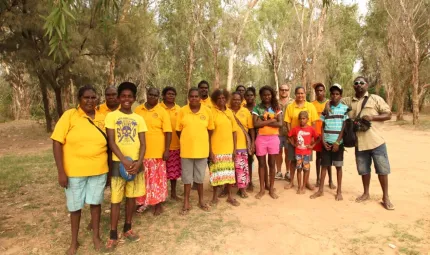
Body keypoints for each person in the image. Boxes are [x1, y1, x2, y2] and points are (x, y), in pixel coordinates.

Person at [51, 85, 108, 254]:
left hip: (99, 169)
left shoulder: (103, 117)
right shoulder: (70, 116)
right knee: (75, 207)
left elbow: (111, 143)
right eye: (86, 98)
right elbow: (56, 142)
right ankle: (74, 242)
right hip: (74, 171)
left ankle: (96, 237)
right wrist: (61, 171)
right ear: (79, 99)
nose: (90, 101)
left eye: (93, 97)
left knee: (95, 203)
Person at [104, 82, 147, 251]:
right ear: (119, 98)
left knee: (131, 197)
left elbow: (143, 143)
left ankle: (127, 227)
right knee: (116, 199)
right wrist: (123, 160)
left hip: (136, 164)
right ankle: (113, 234)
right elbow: (111, 141)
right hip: (118, 164)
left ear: (134, 98)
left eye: (130, 96)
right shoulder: (112, 116)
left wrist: (138, 162)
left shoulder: (139, 119)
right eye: (123, 96)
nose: (127, 99)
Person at [342, 76, 394, 210]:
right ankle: (366, 193)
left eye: (362, 83)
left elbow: (388, 114)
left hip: (377, 142)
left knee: (382, 170)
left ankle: (385, 197)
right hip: (360, 143)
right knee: (364, 170)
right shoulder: (349, 101)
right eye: (356, 83)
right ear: (353, 86)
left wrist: (372, 117)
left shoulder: (375, 99)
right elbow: (334, 100)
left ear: (367, 85)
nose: (359, 85)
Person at [176, 88, 214, 215]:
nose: (193, 98)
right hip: (186, 151)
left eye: (196, 96)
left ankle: (201, 201)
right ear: (188, 97)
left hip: (202, 151)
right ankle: (186, 202)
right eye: (191, 96)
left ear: (200, 98)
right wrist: (187, 139)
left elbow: (210, 130)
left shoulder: (207, 111)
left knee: (199, 178)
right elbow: (178, 130)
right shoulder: (182, 111)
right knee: (187, 179)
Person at [135, 88, 172, 216]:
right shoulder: (138, 110)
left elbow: (168, 132)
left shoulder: (162, 112)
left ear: (158, 97)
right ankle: (142, 202)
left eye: (155, 95)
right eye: (150, 94)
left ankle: (158, 204)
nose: (152, 97)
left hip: (157, 152)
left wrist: (166, 150)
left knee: (157, 180)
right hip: (141, 153)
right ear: (147, 95)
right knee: (142, 179)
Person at [310, 84, 348, 201]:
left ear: (340, 96)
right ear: (330, 95)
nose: (334, 96)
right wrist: (323, 140)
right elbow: (322, 125)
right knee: (324, 165)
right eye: (332, 94)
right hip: (326, 142)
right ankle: (320, 190)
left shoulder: (344, 108)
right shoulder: (326, 108)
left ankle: (339, 191)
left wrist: (337, 142)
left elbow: (344, 126)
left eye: (337, 94)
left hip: (338, 143)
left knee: (338, 167)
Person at [208, 89, 240, 206]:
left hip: (228, 148)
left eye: (223, 98)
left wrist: (234, 149)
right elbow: (209, 132)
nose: (221, 100)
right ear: (215, 100)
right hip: (216, 149)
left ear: (226, 99)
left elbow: (234, 132)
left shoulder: (230, 113)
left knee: (229, 174)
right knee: (215, 173)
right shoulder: (211, 112)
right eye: (219, 98)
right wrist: (210, 150)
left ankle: (230, 197)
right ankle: (214, 197)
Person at [284, 86, 319, 190]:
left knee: (306, 162)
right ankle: (291, 182)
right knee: (293, 160)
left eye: (302, 93)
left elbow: (313, 122)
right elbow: (287, 122)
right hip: (294, 140)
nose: (300, 95)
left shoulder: (310, 106)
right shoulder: (290, 106)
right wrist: (292, 138)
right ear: (295, 94)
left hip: (307, 141)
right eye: (298, 93)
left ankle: (306, 182)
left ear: (305, 94)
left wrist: (311, 138)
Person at [252, 85, 283, 199]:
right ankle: (261, 190)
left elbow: (280, 124)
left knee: (271, 164)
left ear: (272, 95)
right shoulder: (257, 108)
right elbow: (255, 124)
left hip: (274, 138)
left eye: (269, 95)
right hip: (261, 138)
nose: (267, 97)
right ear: (261, 96)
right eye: (264, 95)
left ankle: (271, 189)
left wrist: (263, 121)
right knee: (261, 164)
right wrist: (272, 120)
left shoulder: (276, 107)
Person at [230, 92, 255, 198]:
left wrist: (252, 142)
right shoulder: (227, 111)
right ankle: (228, 190)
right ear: (231, 100)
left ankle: (242, 189)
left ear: (241, 100)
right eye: (234, 99)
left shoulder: (246, 112)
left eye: (238, 99)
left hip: (242, 145)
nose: (236, 101)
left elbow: (251, 128)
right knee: (229, 168)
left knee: (242, 168)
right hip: (228, 144)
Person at [288, 111, 319, 194]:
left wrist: (312, 146)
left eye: (304, 118)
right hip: (298, 153)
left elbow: (318, 138)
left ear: (307, 119)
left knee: (306, 169)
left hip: (307, 154)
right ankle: (299, 187)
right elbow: (289, 136)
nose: (302, 120)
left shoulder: (311, 129)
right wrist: (293, 143)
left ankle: (303, 186)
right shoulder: (295, 129)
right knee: (299, 170)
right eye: (300, 119)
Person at [311, 83, 336, 189]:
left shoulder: (329, 103)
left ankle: (330, 181)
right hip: (317, 134)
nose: (319, 92)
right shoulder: (312, 104)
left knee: (328, 158)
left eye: (321, 90)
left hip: (327, 134)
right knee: (318, 158)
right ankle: (318, 179)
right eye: (317, 90)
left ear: (324, 92)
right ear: (315, 92)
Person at [160, 86, 182, 201]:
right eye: (168, 94)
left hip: (176, 145)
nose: (171, 96)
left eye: (173, 94)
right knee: (161, 172)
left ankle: (173, 193)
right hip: (160, 147)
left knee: (174, 172)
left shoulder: (179, 109)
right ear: (163, 95)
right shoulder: (158, 108)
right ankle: (162, 194)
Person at [275, 84, 294, 181]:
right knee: (278, 152)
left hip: (288, 132)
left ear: (289, 90)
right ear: (279, 90)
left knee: (288, 153)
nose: (284, 91)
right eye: (282, 89)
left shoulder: (293, 102)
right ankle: (278, 171)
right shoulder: (275, 102)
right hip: (277, 132)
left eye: (286, 90)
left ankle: (288, 172)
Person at [244, 87, 257, 192]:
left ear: (255, 96)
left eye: (251, 95)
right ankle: (249, 181)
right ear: (245, 97)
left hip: (259, 136)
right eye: (247, 95)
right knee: (248, 160)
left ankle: (265, 184)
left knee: (262, 161)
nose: (249, 97)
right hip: (245, 138)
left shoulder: (258, 108)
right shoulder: (242, 108)